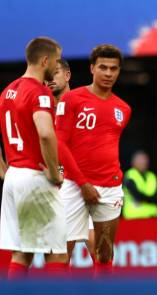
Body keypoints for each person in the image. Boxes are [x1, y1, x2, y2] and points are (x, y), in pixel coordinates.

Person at [55, 44, 132, 277]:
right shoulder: (71, 99)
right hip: (73, 185)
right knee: (61, 253)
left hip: (110, 189)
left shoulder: (123, 108)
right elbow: (59, 143)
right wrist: (82, 182)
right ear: (92, 68)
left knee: (105, 253)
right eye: (103, 67)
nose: (108, 73)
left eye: (113, 68)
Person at [0, 37, 67, 279]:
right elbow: (46, 134)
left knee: (22, 253)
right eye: (56, 61)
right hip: (35, 178)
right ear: (45, 60)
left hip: (14, 176)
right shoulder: (39, 92)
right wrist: (52, 171)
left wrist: (3, 168)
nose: (57, 66)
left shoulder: (7, 91)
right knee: (57, 253)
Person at [47, 59, 97, 263]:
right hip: (54, 189)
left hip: (85, 184)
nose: (50, 79)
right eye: (46, 75)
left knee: (100, 250)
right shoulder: (40, 110)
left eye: (55, 73)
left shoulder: (86, 105)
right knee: (59, 255)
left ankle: (107, 294)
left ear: (67, 75)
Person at [123, 150, 157, 219]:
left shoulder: (152, 176)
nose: (143, 162)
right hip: (133, 217)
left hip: (152, 216)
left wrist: (151, 199)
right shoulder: (130, 175)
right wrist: (151, 200)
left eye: (145, 160)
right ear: (133, 162)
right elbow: (137, 195)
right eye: (140, 160)